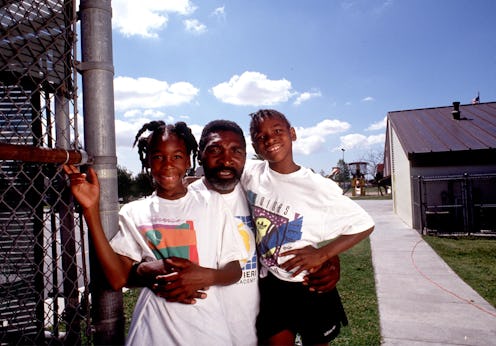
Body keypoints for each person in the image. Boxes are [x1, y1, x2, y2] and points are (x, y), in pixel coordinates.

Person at [64, 120, 247, 345]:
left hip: (207, 330)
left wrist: (204, 275)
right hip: (152, 332)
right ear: (148, 160)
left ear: (188, 160)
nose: (168, 164)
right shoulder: (135, 212)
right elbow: (116, 278)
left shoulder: (213, 203)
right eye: (159, 156)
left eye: (177, 156)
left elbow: (234, 270)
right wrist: (90, 211)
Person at [242, 109, 375, 346]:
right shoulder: (251, 173)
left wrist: (323, 254)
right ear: (254, 146)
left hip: (309, 283)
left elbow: (364, 224)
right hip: (271, 284)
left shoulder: (316, 186)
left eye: (277, 131)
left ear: (292, 134)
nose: (270, 139)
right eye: (260, 136)